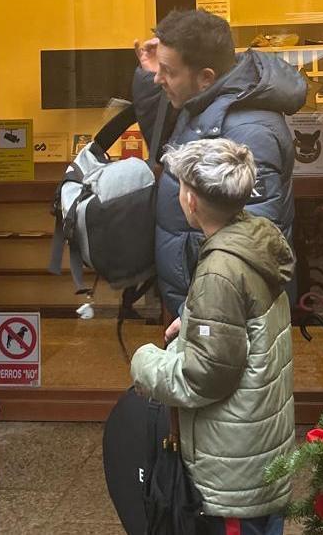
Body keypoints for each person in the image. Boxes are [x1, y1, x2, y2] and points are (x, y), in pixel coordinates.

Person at [130, 138, 296, 535]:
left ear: (191, 200)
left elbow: (204, 376)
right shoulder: (254, 238)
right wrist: (193, 319)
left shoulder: (219, 270)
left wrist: (144, 361)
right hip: (256, 452)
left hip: (231, 472)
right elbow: (243, 323)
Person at [132, 9, 306, 320]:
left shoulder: (248, 130)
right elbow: (167, 150)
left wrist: (198, 315)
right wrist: (151, 75)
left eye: (168, 71)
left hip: (225, 315)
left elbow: (249, 245)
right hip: (204, 305)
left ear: (206, 78)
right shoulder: (204, 105)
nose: (160, 78)